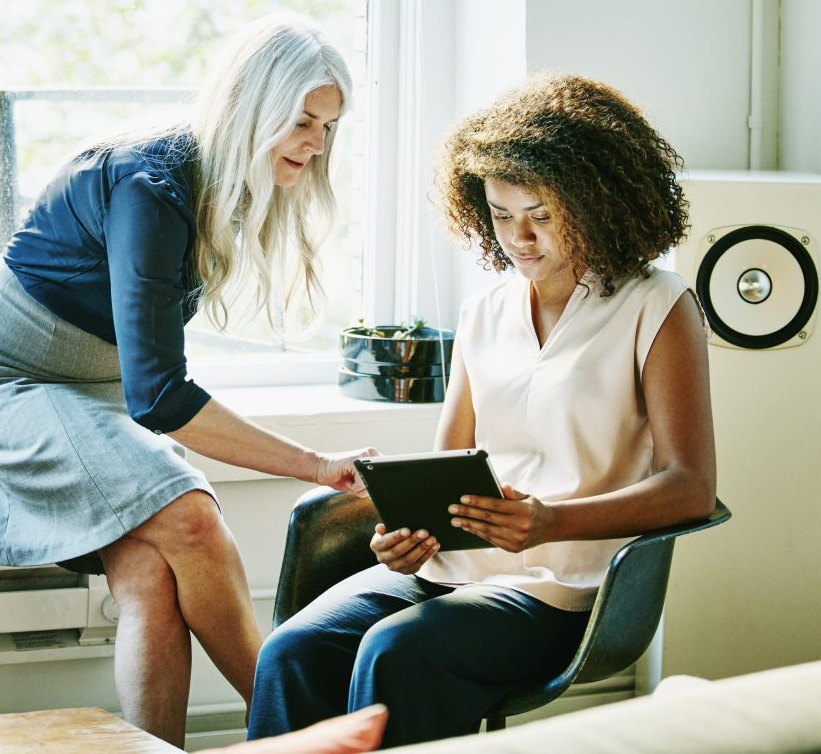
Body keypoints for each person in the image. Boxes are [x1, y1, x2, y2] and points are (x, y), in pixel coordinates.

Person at [0, 13, 373, 747]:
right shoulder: (152, 182)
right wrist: (318, 466)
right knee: (191, 516)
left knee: (147, 573)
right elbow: (160, 396)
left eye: (329, 126)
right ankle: (307, 732)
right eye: (301, 121)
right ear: (253, 107)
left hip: (87, 395)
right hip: (8, 390)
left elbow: (142, 381)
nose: (317, 143)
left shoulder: (216, 181)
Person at [246, 72, 718, 748]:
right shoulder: (485, 311)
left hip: (563, 589)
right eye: (500, 215)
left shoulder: (657, 306)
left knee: (398, 651)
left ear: (597, 201)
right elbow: (446, 467)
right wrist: (406, 538)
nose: (519, 237)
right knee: (291, 652)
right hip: (453, 573)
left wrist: (550, 522)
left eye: (543, 215)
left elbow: (692, 487)